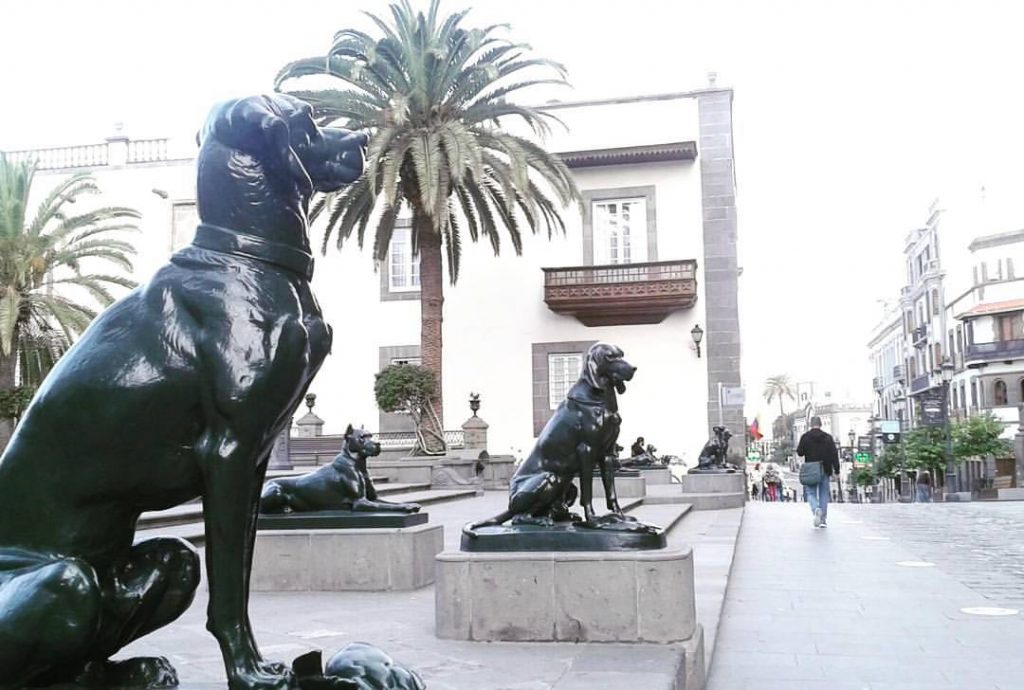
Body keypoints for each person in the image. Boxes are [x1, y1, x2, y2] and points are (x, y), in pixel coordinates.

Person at [796, 416, 840, 528]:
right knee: (824, 494)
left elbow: (800, 452)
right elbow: (834, 455)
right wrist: (837, 471)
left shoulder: (805, 437)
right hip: (825, 468)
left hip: (811, 469)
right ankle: (823, 520)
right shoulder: (828, 438)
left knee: (811, 493)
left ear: (810, 424)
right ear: (821, 424)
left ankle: (816, 508)